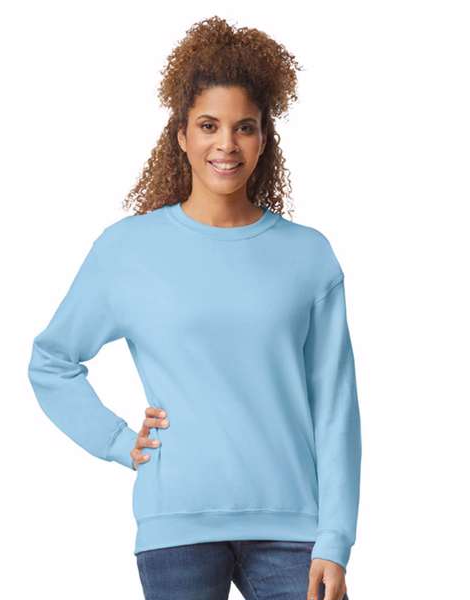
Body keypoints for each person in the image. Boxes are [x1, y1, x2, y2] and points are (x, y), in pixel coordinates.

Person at [28, 15, 361, 600]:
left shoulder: (308, 255)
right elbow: (51, 360)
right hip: (176, 524)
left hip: (293, 527)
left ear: (264, 138)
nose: (225, 144)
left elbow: (335, 408)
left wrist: (334, 538)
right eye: (208, 125)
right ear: (181, 135)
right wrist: (116, 440)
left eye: (244, 127)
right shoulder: (127, 250)